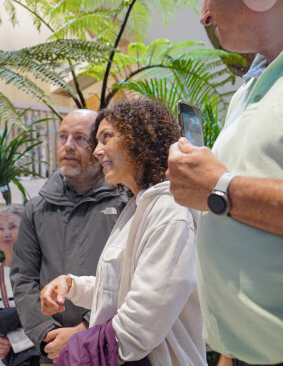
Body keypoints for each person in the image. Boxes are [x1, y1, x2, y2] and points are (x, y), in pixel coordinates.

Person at [166, 0, 283, 365]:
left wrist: (219, 189)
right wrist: (230, 349)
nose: (204, 16)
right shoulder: (250, 88)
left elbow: (224, 192)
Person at [40, 98, 205, 365]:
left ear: (139, 139)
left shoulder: (169, 209)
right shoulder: (136, 208)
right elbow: (121, 289)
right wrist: (72, 285)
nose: (96, 151)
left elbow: (144, 318)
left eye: (106, 138)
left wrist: (79, 349)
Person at [10, 109, 125, 364]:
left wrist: (83, 331)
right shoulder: (37, 208)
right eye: (63, 137)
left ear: (99, 146)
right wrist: (47, 334)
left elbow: (128, 279)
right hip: (55, 353)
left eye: (80, 138)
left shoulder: (124, 202)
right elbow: (23, 280)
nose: (68, 146)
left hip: (109, 347)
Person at [0, 206, 40, 366]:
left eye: (12, 227)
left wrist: (14, 341)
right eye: (0, 228)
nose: (5, 233)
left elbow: (50, 319)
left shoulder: (40, 272)